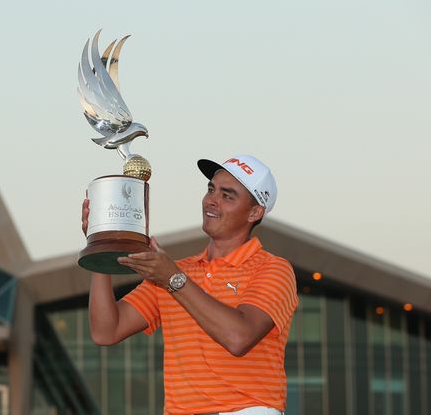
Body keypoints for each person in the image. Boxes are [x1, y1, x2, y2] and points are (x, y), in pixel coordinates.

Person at [82, 155, 298, 415]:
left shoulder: (274, 268)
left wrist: (174, 280)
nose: (211, 200)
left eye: (227, 195)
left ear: (255, 212)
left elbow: (239, 337)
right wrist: (101, 245)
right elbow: (106, 331)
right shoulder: (175, 271)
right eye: (211, 189)